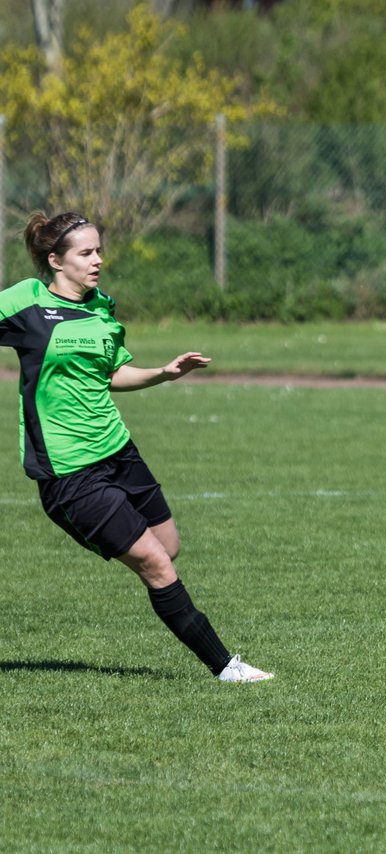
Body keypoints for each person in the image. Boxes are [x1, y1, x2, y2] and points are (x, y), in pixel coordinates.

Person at [0, 211, 272, 683]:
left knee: (169, 546)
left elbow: (111, 374)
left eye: (98, 250)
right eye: (86, 253)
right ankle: (225, 667)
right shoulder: (27, 301)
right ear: (55, 260)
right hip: (69, 472)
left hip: (118, 452)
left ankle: (132, 551)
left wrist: (164, 373)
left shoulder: (101, 306)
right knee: (154, 561)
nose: (98, 260)